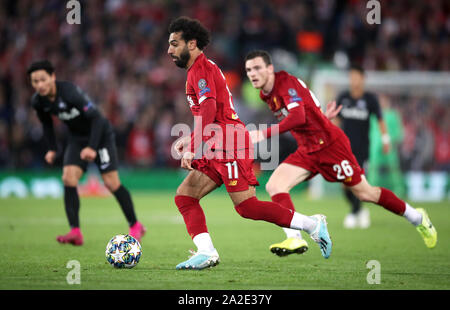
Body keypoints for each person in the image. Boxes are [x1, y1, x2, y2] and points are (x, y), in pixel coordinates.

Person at [168, 17, 333, 270]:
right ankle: (206, 251)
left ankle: (312, 225)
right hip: (216, 142)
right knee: (185, 197)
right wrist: (192, 139)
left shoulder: (201, 70)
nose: (169, 50)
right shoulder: (199, 70)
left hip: (229, 142)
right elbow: (209, 113)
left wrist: (193, 147)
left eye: (174, 43)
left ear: (191, 44)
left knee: (247, 207)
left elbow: (210, 109)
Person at [244, 50, 437, 256]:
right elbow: (307, 107)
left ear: (270, 69)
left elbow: (299, 116)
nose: (252, 73)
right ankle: (295, 239)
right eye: (248, 70)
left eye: (257, 68)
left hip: (330, 146)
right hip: (308, 149)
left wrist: (265, 134)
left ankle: (417, 217)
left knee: (365, 193)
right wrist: (321, 117)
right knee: (275, 185)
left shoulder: (285, 83)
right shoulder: (266, 94)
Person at [28, 60, 146, 245]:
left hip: (100, 135)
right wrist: (52, 148)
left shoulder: (69, 92)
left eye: (43, 79)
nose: (39, 85)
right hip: (77, 138)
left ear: (53, 77)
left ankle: (135, 225)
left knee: (111, 182)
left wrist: (92, 147)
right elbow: (47, 124)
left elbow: (98, 118)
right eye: (35, 82)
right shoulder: (38, 101)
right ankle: (75, 231)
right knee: (68, 177)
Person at [335, 65, 390, 229]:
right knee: (344, 183)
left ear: (362, 79)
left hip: (362, 149)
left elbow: (380, 120)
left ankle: (354, 212)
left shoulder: (370, 99)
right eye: (351, 77)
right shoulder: (343, 97)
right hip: (344, 148)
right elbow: (336, 121)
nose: (354, 80)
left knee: (357, 183)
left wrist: (385, 139)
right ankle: (359, 211)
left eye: (356, 77)